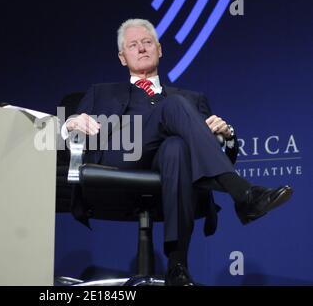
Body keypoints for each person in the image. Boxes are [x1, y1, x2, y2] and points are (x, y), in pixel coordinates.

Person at [61, 18, 293, 286]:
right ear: (123, 58)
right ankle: (244, 194)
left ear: (159, 49)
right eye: (133, 45)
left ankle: (177, 266)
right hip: (119, 157)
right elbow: (62, 134)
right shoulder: (100, 93)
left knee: (177, 148)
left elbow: (217, 157)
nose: (142, 48)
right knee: (173, 106)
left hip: (171, 170)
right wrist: (71, 123)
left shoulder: (193, 99)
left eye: (148, 42)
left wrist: (226, 135)